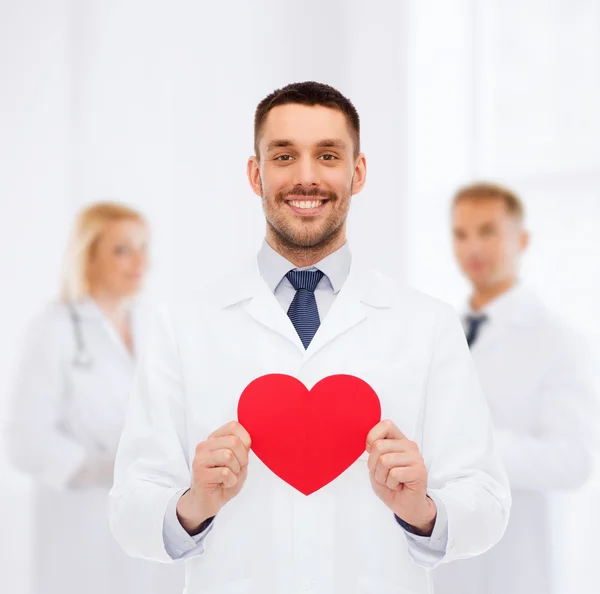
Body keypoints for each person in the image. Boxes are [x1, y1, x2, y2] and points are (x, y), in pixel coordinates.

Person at [109, 82, 511, 594]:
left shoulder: (426, 323)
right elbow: (129, 509)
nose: (305, 177)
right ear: (256, 174)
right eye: (283, 156)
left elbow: (488, 501)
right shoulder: (184, 324)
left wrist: (422, 511)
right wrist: (194, 504)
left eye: (327, 155)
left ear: (356, 172)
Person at [4, 202, 184, 594]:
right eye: (122, 250)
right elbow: (26, 441)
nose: (140, 261)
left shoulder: (150, 324)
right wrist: (99, 468)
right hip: (79, 519)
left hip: (145, 512)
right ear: (88, 258)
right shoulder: (53, 330)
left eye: (143, 247)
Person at [433, 182, 596, 594]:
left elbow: (572, 460)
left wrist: (471, 446)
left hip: (516, 566)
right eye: (461, 233)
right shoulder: (439, 331)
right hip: (443, 555)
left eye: (488, 231)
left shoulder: (558, 340)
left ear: (521, 240)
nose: (473, 247)